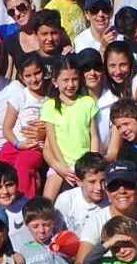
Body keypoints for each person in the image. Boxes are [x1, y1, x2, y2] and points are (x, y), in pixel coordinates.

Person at [39, 55, 97, 198]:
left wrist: (93, 164)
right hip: (60, 164)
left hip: (84, 164)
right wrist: (62, 167)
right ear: (55, 82)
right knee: (47, 203)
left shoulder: (87, 102)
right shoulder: (49, 106)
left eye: (74, 79)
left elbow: (94, 135)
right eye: (65, 80)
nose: (70, 85)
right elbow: (51, 141)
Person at [0, 51, 51, 196]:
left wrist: (45, 131)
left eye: (37, 73)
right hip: (16, 143)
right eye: (28, 76)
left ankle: (26, 203)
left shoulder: (51, 98)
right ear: (21, 77)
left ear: (44, 71)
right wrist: (17, 144)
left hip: (36, 146)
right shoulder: (20, 96)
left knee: (23, 165)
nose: (34, 79)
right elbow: (7, 128)